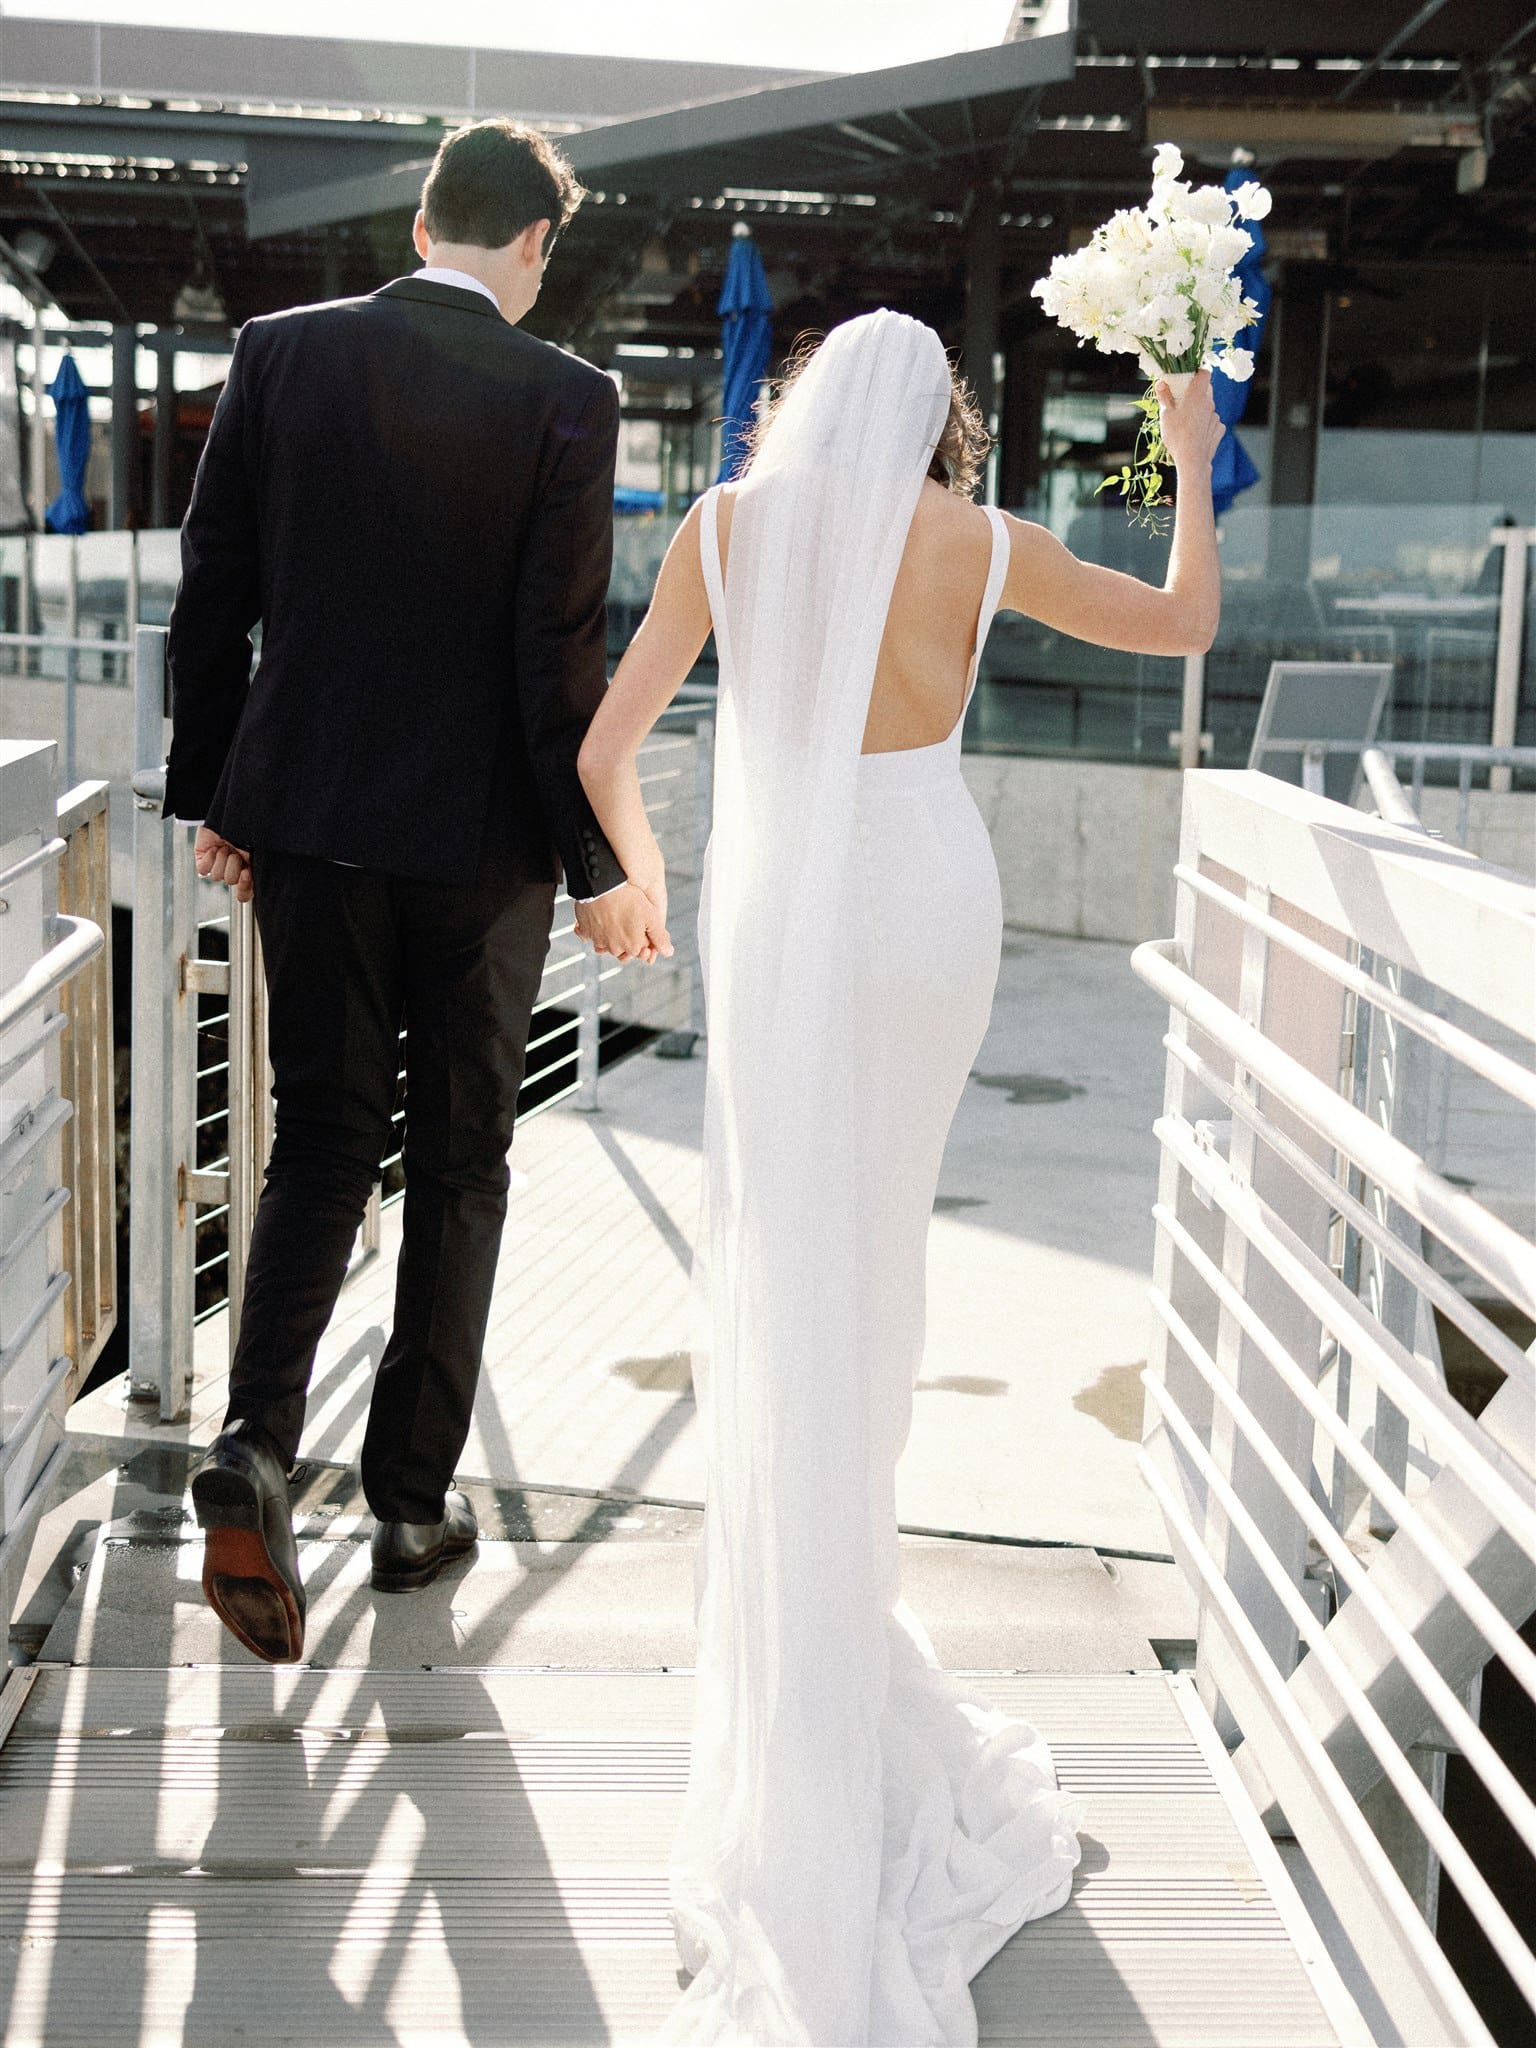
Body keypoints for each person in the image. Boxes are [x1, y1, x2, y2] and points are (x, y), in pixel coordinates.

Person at [577, 311, 1223, 2044]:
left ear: (799, 409)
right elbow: (1184, 627)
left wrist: (626, 887)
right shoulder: (979, 543)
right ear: (944, 421)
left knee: (793, 1282)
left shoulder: (725, 531)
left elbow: (601, 748)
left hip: (787, 923)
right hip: (930, 909)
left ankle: (812, 1675)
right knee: (880, 1280)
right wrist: (1190, 435)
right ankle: (845, 1656)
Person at [165, 118, 668, 1665]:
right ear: (531, 246)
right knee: (459, 1165)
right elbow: (553, 660)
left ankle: (255, 1443)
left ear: (423, 222)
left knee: (319, 1141)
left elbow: (214, 599)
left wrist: (217, 798)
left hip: (306, 829)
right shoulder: (569, 399)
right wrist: (597, 864)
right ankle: (405, 1505)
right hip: (481, 853)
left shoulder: (280, 355)